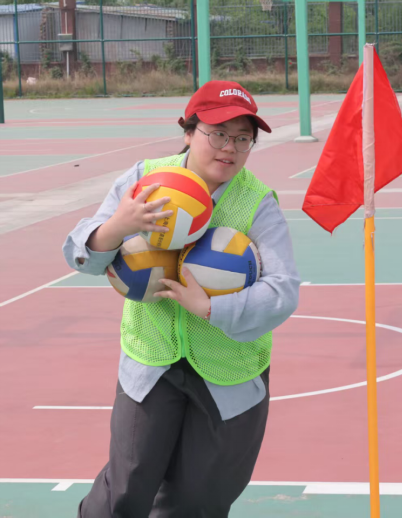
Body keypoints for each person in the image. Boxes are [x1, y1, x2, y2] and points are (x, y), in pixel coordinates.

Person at [62, 80, 301, 518]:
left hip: (229, 373)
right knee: (123, 495)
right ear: (189, 132)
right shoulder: (145, 180)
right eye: (218, 134)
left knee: (197, 503)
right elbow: (82, 255)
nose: (230, 148)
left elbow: (283, 290)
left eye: (243, 138)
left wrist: (211, 307)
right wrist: (117, 227)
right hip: (151, 361)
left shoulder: (256, 202)